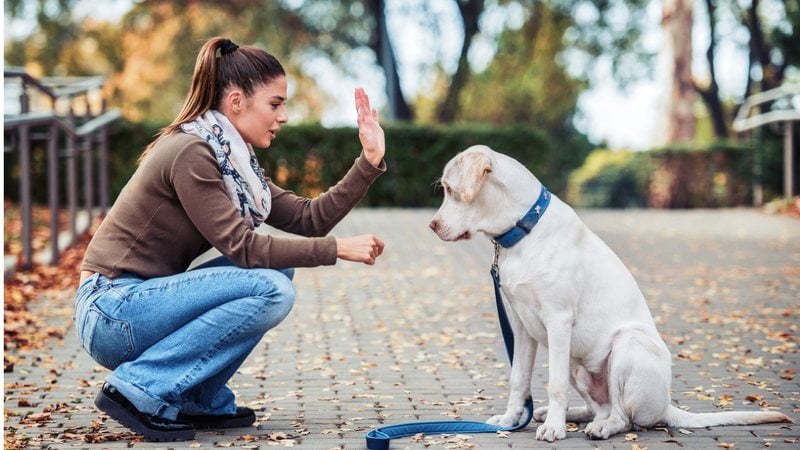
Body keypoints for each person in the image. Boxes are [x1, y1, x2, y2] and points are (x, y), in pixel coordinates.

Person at [74, 37, 386, 442]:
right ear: (237, 101)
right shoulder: (192, 153)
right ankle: (140, 387)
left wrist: (369, 160)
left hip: (136, 305)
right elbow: (242, 247)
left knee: (279, 270)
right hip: (111, 311)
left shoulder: (234, 168)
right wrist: (337, 250)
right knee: (272, 289)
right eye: (275, 104)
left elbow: (310, 219)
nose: (284, 116)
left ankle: (196, 398)